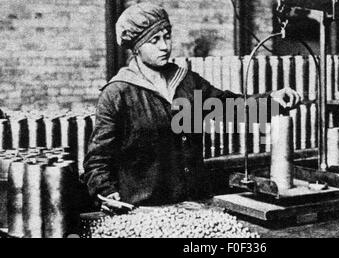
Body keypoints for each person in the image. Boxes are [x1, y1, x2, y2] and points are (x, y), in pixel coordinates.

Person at [81, 3, 301, 210]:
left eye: (167, 37)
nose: (164, 46)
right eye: (154, 40)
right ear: (136, 47)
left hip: (196, 204)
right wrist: (106, 193)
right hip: (144, 209)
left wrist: (271, 100)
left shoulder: (187, 82)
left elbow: (230, 106)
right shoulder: (118, 94)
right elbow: (98, 160)